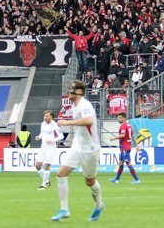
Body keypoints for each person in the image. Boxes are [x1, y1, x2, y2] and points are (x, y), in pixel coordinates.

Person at [50, 80, 104, 222]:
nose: (69, 91)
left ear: (79, 91)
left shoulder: (84, 105)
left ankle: (99, 205)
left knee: (90, 182)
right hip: (78, 146)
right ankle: (64, 209)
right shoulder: (74, 106)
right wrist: (77, 137)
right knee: (61, 173)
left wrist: (67, 123)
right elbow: (83, 127)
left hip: (90, 149)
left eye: (71, 89)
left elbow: (89, 120)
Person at [108, 112, 141, 185]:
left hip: (125, 147)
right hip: (127, 147)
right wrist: (136, 145)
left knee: (128, 163)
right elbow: (133, 136)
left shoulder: (123, 126)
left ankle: (137, 179)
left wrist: (114, 138)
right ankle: (116, 179)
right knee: (121, 163)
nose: (118, 119)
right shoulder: (129, 125)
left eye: (120, 118)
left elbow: (123, 135)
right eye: (118, 117)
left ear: (124, 118)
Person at [35, 110, 62, 190]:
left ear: (51, 117)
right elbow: (42, 133)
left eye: (47, 116)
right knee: (37, 165)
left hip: (51, 148)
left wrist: (52, 140)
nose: (45, 118)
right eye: (44, 116)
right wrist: (39, 137)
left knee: (47, 165)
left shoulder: (54, 125)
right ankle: (47, 181)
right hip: (43, 147)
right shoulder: (42, 124)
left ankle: (44, 185)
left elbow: (61, 136)